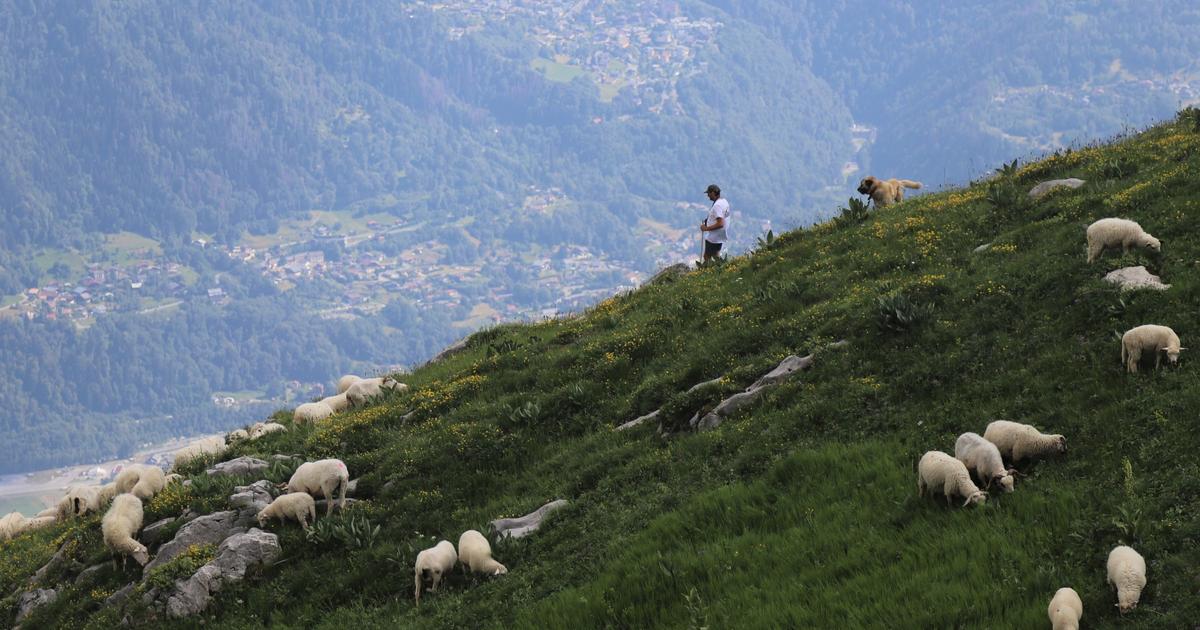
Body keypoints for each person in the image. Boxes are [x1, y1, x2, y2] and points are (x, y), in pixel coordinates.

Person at [701, 184, 730, 262]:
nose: (708, 195)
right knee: (715, 254)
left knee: (707, 256)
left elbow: (720, 224)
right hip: (721, 235)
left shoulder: (717, 205)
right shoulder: (724, 201)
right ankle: (719, 268)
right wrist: (709, 220)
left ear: (713, 193)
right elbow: (722, 216)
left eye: (709, 193)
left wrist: (706, 228)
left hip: (714, 236)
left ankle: (710, 271)